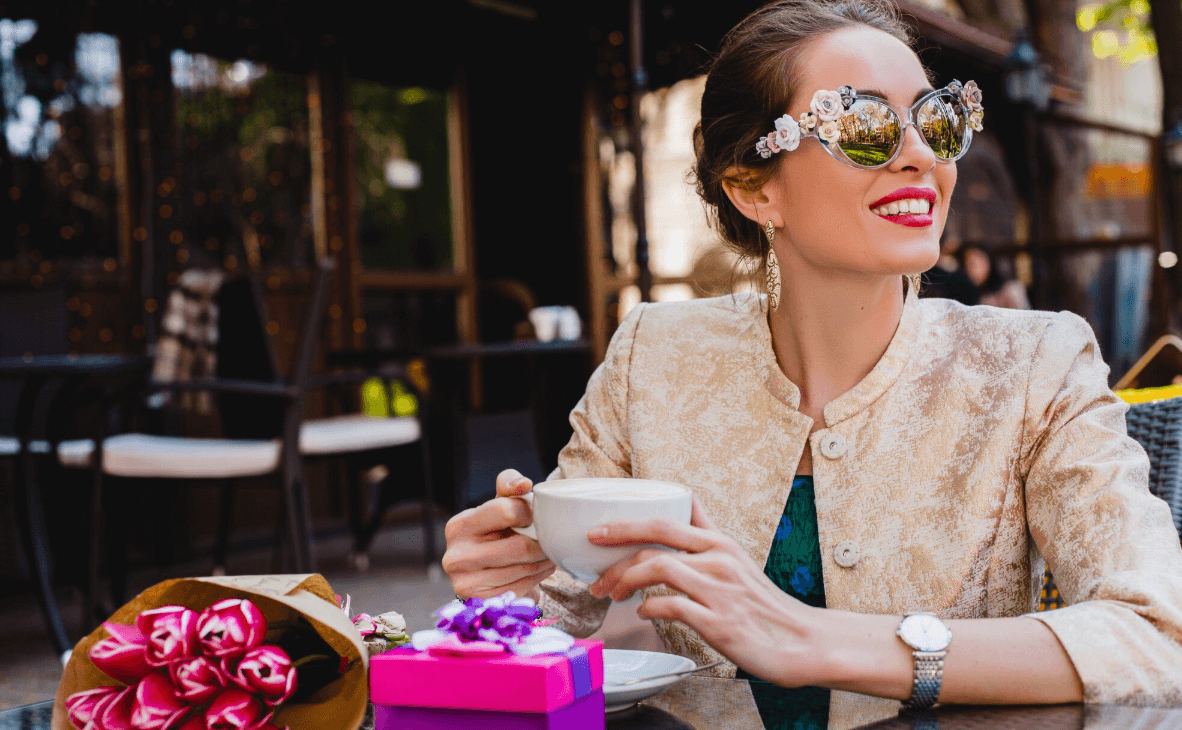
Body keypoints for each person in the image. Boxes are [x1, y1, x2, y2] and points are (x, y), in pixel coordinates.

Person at [442, 0, 1182, 710]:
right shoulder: (654, 357)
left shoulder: (1035, 364)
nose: (921, 156)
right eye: (865, 126)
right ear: (753, 188)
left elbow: (1157, 639)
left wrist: (816, 639)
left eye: (937, 121)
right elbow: (555, 615)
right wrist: (505, 599)